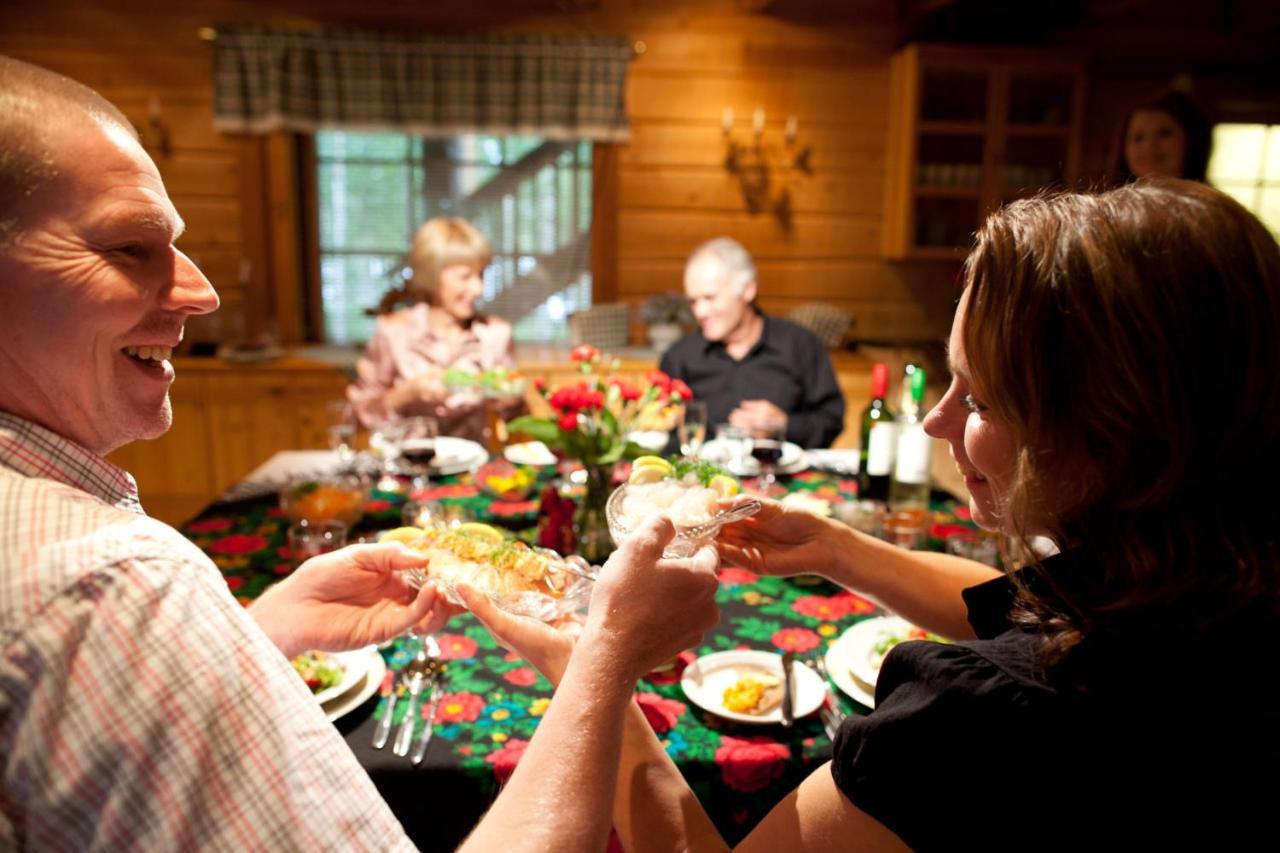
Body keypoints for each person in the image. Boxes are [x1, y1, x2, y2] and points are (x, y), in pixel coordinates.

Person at [458, 178, 1280, 850]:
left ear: (1118, 431)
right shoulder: (1204, 588)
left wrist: (591, 670)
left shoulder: (973, 726)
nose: (936, 421)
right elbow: (1013, 598)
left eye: (981, 396)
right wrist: (830, 544)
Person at [0, 55, 465, 847]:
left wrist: (256, 629)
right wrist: (606, 671)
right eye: (129, 247)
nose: (202, 292)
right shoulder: (112, 580)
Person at [347, 217, 525, 441]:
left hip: (471, 469)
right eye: (465, 276)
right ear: (432, 275)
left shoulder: (496, 334)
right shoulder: (394, 332)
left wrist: (511, 401)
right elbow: (357, 416)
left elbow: (517, 419)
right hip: (408, 467)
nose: (478, 288)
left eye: (481, 275)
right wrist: (409, 392)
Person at [659, 237, 845, 448]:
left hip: (783, 476)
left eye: (710, 298)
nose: (699, 312)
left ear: (748, 290)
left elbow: (831, 421)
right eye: (693, 301)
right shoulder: (679, 357)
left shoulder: (801, 345)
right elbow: (669, 441)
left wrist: (785, 425)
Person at [1109, 88, 1213, 183]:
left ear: (1191, 139)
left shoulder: (1210, 203)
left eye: (1164, 133)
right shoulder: (1110, 203)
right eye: (1138, 137)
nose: (1149, 146)